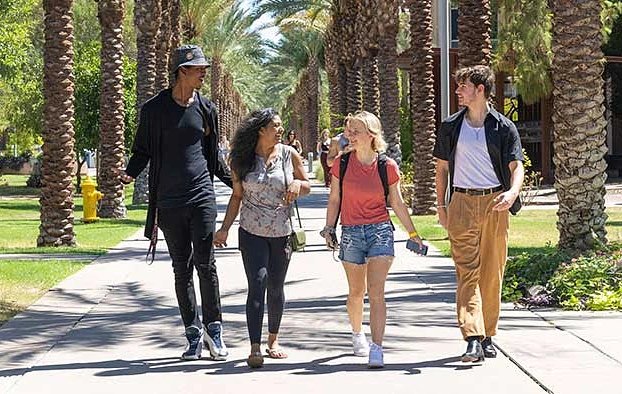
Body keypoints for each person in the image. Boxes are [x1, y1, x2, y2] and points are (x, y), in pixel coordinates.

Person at [120, 45, 233, 361]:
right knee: (181, 268)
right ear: (181, 71)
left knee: (206, 264)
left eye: (204, 68)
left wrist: (237, 185)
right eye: (198, 69)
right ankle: (193, 335)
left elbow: (214, 159)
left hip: (201, 198)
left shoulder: (206, 109)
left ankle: (215, 330)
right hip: (168, 202)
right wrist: (129, 175)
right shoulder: (154, 110)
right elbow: (141, 150)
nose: (203, 74)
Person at [433, 65, 524, 363]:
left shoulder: (503, 127)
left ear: (480, 89)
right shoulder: (450, 126)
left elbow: (516, 166)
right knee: (467, 272)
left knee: (492, 272)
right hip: (461, 202)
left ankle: (488, 335)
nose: (458, 91)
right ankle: (472, 336)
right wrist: (442, 206)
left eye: (463, 86)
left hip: (495, 203)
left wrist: (512, 193)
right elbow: (442, 168)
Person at [321, 111, 425, 368]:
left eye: (355, 132)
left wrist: (413, 233)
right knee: (357, 292)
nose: (350, 136)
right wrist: (328, 228)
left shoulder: (386, 166)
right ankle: (358, 335)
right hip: (351, 232)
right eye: (349, 131)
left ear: (371, 135)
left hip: (380, 231)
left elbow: (397, 203)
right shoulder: (341, 164)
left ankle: (376, 348)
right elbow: (334, 199)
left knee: (376, 291)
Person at [214, 109, 310, 368]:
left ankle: (273, 340)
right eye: (276, 126)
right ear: (261, 130)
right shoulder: (241, 160)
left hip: (282, 232)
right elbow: (236, 197)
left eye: (281, 126)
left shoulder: (290, 155)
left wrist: (298, 185)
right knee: (257, 283)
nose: (281, 130)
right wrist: (223, 229)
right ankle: (255, 347)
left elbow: (307, 184)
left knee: (276, 287)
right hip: (251, 231)